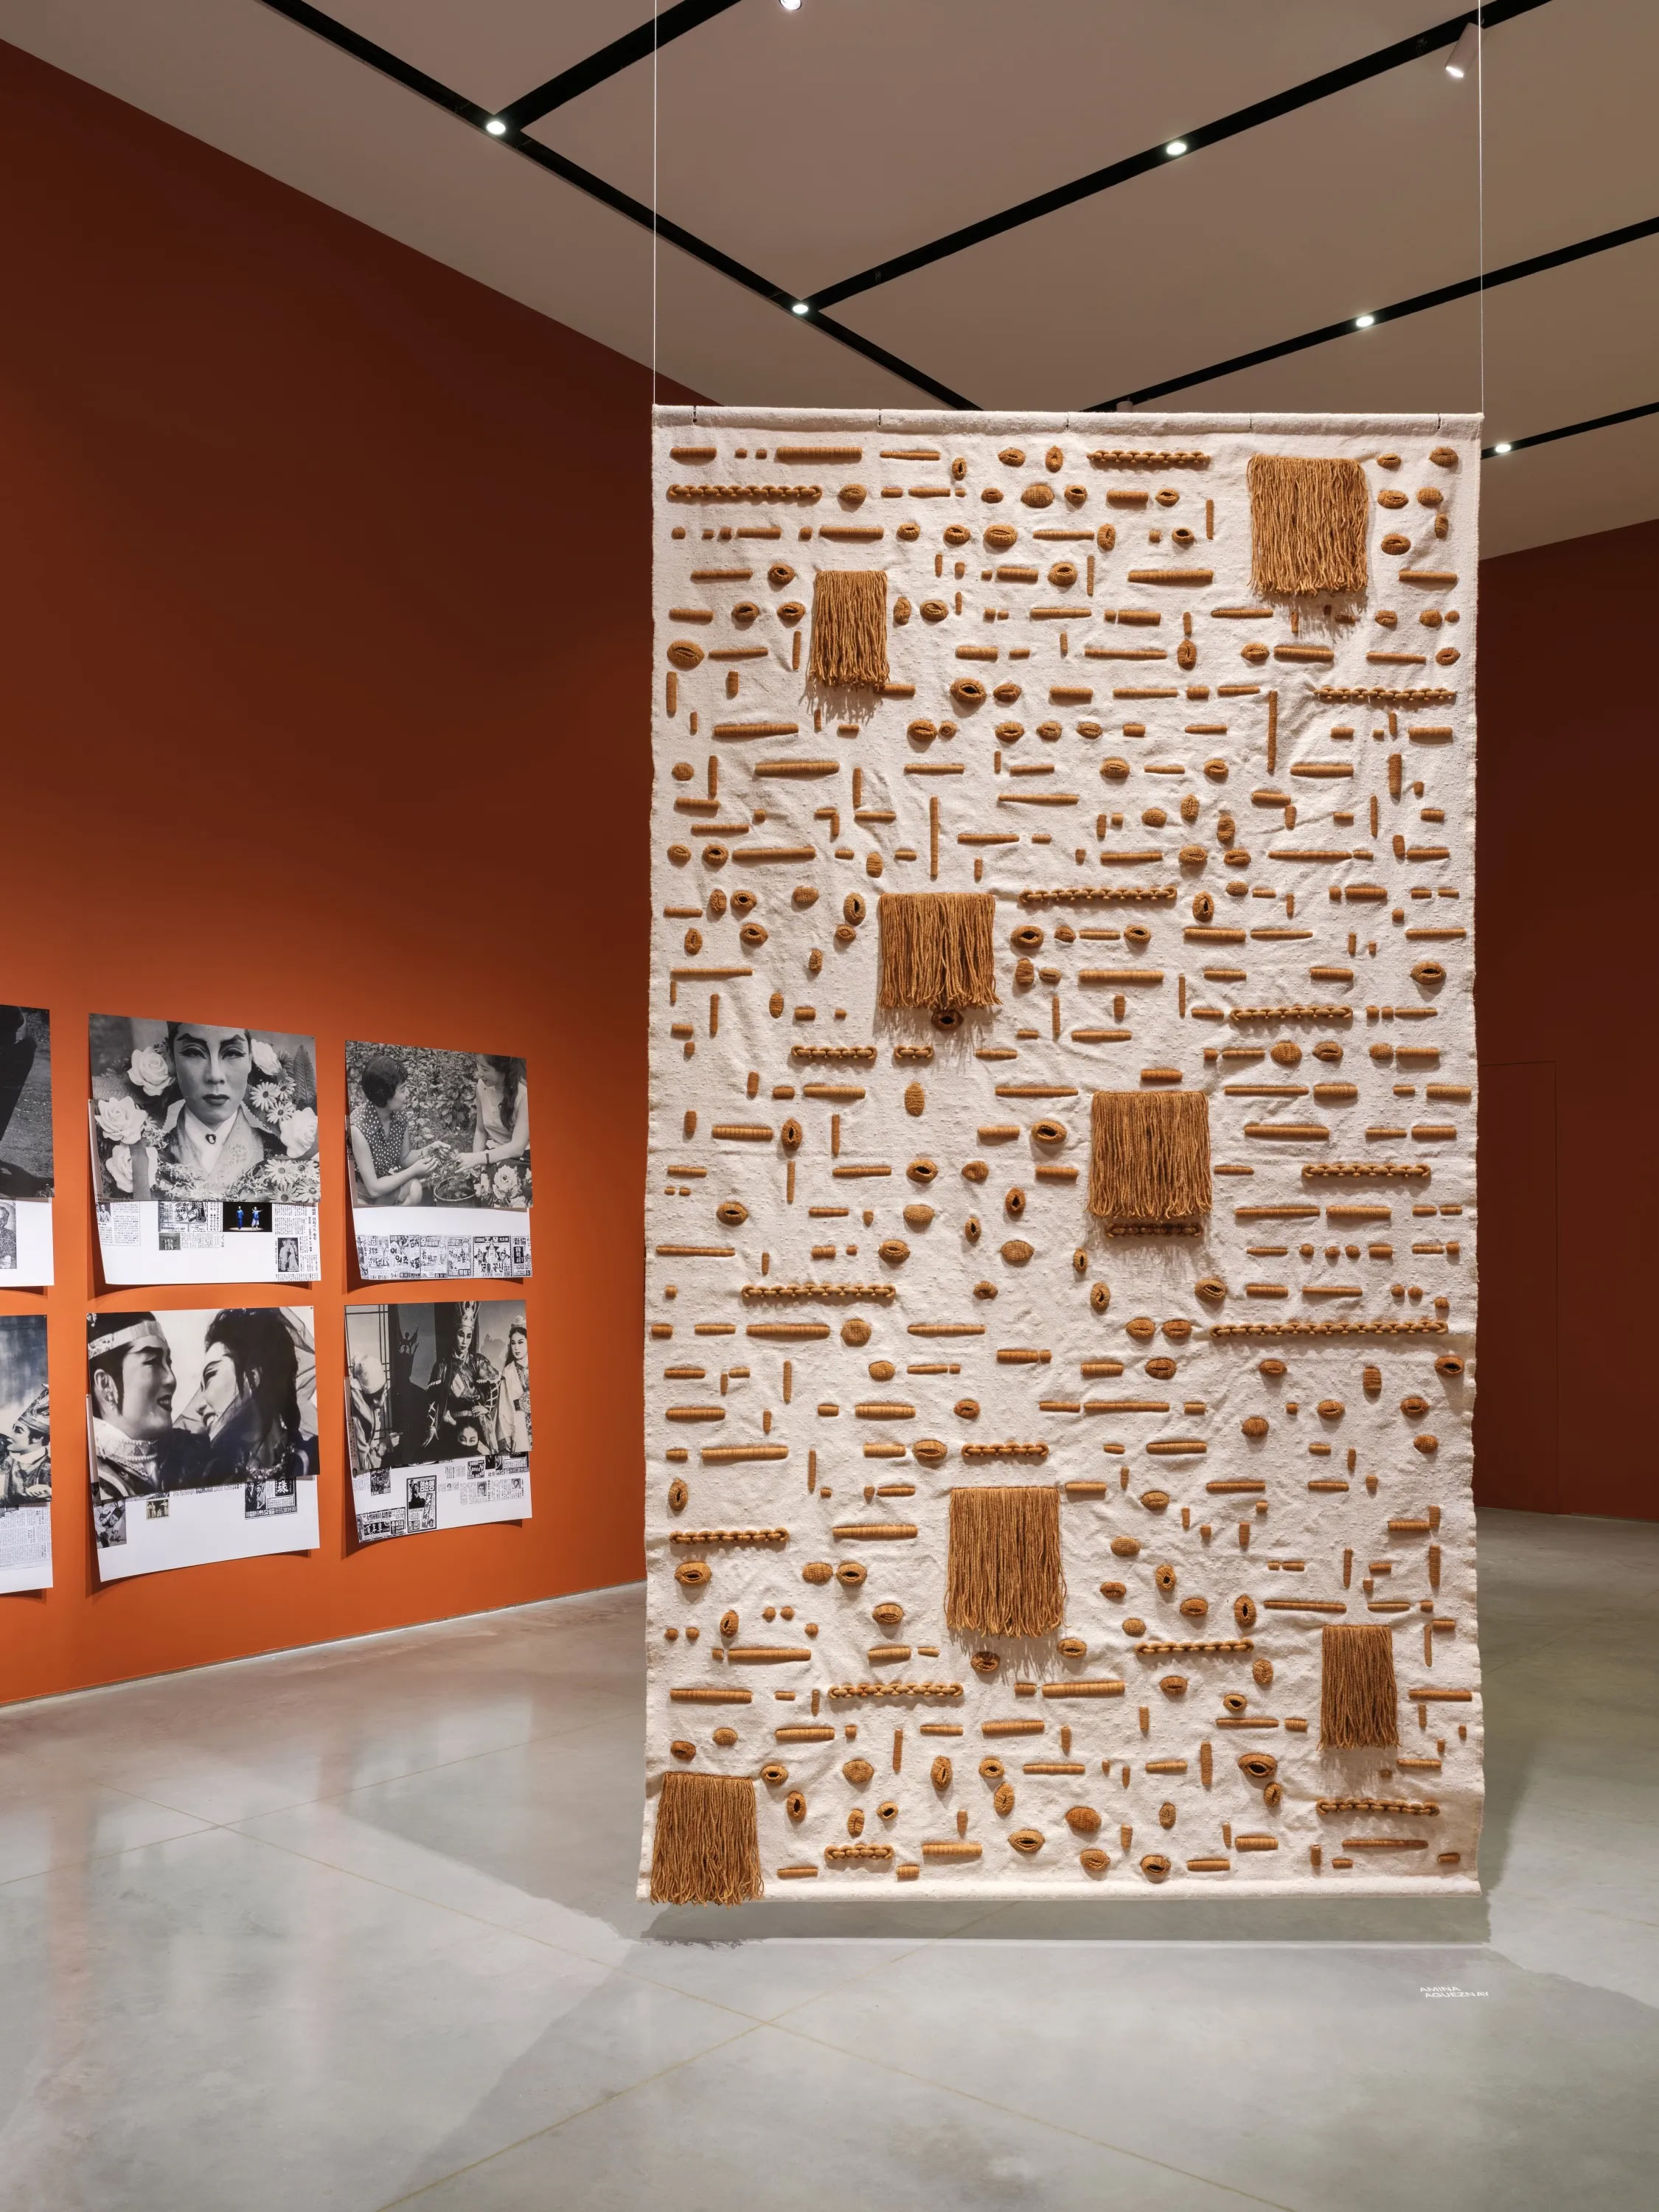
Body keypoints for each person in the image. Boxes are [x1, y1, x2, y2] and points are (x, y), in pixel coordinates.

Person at [177, 1308, 319, 1486]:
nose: (199, 1405)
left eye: (211, 1375)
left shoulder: (315, 1457)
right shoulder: (212, 1478)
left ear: (253, 1377)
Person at [153, 1023, 281, 1197]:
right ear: (171, 1058)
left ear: (250, 1058)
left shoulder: (286, 1159)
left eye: (233, 1053)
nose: (215, 1075)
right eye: (194, 1052)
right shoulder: (141, 1160)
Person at [88, 1312, 206, 1498]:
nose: (171, 1379)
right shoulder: (81, 1473)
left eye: (168, 1363)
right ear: (105, 1384)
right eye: (153, 1362)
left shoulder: (192, 1453)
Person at [349, 1054, 439, 1208]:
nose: (408, 1093)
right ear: (384, 1094)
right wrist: (414, 1171)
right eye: (403, 1090)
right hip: (360, 1194)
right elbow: (374, 1188)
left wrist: (432, 1149)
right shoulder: (357, 1128)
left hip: (385, 1186)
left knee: (415, 1189)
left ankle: (391, 1215)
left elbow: (405, 1158)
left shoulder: (399, 1117)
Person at [421, 1301, 496, 1459]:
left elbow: (495, 1381)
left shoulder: (478, 1362)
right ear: (454, 1334)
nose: (465, 1341)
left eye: (469, 1336)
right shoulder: (442, 1366)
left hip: (476, 1423)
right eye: (461, 1335)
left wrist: (487, 1407)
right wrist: (431, 1426)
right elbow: (433, 1398)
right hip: (451, 1422)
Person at [457, 1054, 529, 1183]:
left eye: (485, 1069)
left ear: (502, 1070)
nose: (479, 1073)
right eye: (478, 1065)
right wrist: (475, 1162)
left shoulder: (524, 1095)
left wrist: (479, 1158)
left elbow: (518, 1147)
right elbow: (481, 1131)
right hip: (494, 1150)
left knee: (502, 1181)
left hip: (520, 1156)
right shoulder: (482, 1086)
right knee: (474, 1181)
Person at [495, 1315, 532, 1455]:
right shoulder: (508, 1372)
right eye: (513, 1343)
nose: (516, 1348)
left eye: (521, 1342)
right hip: (520, 1426)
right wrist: (507, 1439)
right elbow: (504, 1411)